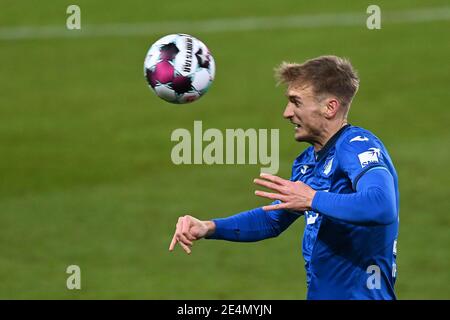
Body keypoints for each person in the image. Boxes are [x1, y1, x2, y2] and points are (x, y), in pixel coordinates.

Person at [169, 55, 399, 300]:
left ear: (329, 107)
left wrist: (312, 199)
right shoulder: (307, 163)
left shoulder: (355, 146)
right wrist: (209, 227)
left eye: (296, 102)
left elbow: (382, 205)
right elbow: (272, 221)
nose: (286, 113)